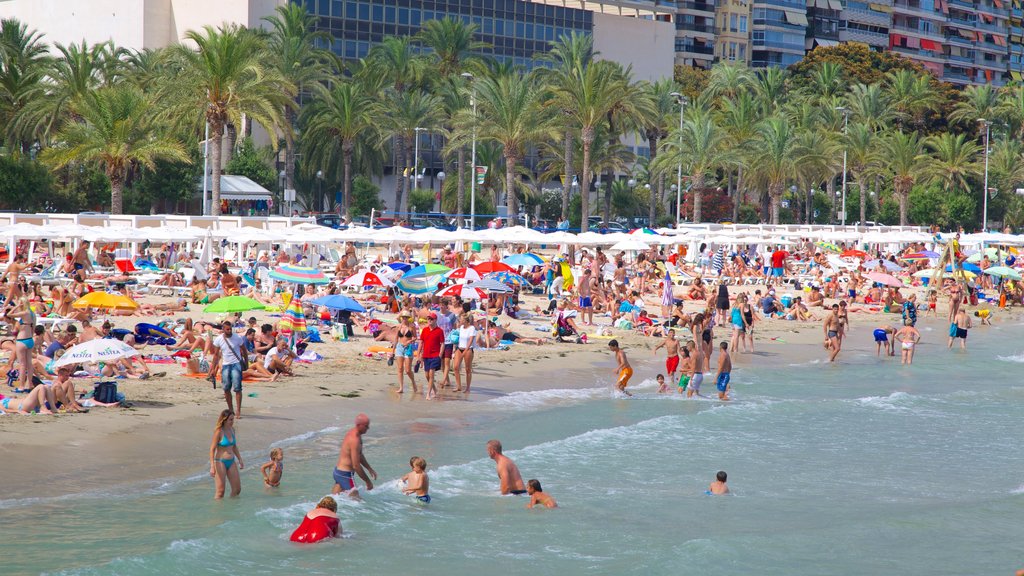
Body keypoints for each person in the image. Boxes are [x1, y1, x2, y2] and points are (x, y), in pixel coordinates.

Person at [333, 413, 377, 500]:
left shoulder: (357, 435)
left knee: (335, 499)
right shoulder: (354, 439)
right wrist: (368, 482)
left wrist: (369, 468)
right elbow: (356, 465)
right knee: (357, 501)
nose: (368, 428)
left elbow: (359, 455)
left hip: (339, 472)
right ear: (358, 425)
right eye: (366, 426)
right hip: (345, 474)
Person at [211, 321, 247, 418]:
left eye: (230, 328)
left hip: (236, 364)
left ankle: (238, 410)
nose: (229, 330)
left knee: (237, 388)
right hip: (226, 365)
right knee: (226, 388)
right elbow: (215, 355)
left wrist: (246, 363)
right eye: (227, 329)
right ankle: (230, 409)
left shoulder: (237, 338)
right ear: (223, 329)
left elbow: (244, 350)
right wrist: (212, 369)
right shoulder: (219, 339)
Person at [209, 409, 243, 499]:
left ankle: (231, 509)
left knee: (237, 489)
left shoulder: (232, 430)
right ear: (224, 420)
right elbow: (212, 449)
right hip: (220, 462)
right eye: (230, 420)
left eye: (233, 419)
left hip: (231, 461)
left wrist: (240, 459)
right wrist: (212, 466)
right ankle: (218, 512)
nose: (232, 422)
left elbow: (234, 446)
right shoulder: (219, 432)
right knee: (220, 492)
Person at [418, 312, 444, 399]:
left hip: (435, 355)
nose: (429, 320)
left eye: (431, 319)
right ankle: (434, 389)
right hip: (426, 355)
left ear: (435, 320)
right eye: (428, 319)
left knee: (431, 373)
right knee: (427, 375)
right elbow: (421, 342)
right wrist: (419, 354)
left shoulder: (439, 331)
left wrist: (440, 354)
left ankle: (428, 394)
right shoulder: (425, 330)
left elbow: (442, 343)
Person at [393, 312, 418, 395]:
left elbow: (415, 337)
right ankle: (401, 387)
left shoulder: (411, 327)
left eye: (406, 317)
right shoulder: (398, 326)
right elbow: (396, 338)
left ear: (408, 318)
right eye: (403, 317)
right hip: (399, 347)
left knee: (407, 370)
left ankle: (413, 382)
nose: (404, 319)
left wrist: (410, 341)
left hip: (408, 347)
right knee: (400, 368)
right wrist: (393, 350)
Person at [452, 313, 476, 393]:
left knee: (467, 369)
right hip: (459, 348)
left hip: (468, 349)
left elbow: (471, 340)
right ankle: (459, 386)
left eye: (461, 319)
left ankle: (468, 388)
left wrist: (465, 351)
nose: (460, 320)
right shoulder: (461, 327)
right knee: (455, 367)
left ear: (465, 320)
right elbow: (458, 339)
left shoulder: (472, 328)